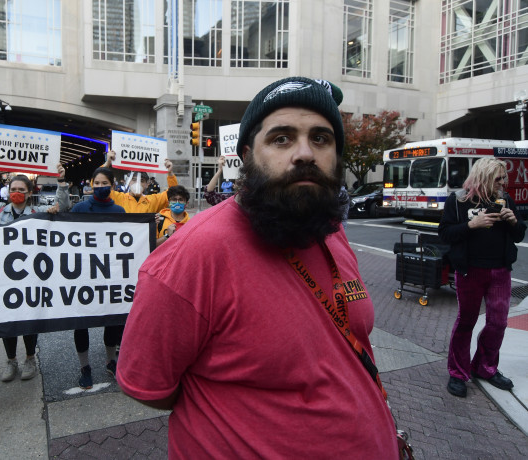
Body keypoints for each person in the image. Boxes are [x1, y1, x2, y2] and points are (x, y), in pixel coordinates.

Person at [117, 76, 398, 458]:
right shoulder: (192, 255)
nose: (304, 154)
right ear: (247, 155)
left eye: (321, 138)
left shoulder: (330, 230)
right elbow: (149, 387)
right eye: (281, 138)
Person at [0, 158, 71, 382]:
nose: (16, 192)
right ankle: (11, 360)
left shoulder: (39, 211)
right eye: (13, 189)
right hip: (4, 277)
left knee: (29, 319)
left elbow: (63, 207)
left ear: (30, 191)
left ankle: (30, 358)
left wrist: (61, 181)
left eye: (21, 190)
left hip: (30, 275)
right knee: (8, 321)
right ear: (7, 191)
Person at [439, 157, 526, 398]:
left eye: (504, 178)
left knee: (498, 323)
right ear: (484, 177)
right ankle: (458, 372)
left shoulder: (504, 200)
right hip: (469, 271)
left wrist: (513, 221)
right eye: (498, 178)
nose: (503, 183)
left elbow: (519, 234)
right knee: (466, 321)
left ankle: (485, 367)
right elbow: (445, 233)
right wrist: (472, 224)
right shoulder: (458, 201)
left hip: (500, 271)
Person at [70, 167, 125, 388]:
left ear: (112, 185)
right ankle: (85, 366)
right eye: (97, 183)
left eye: (105, 183)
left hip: (109, 274)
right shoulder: (79, 208)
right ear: (91, 183)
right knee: (81, 321)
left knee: (111, 320)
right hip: (83, 273)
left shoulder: (120, 211)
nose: (101, 187)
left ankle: (111, 361)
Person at [102, 151, 178, 213]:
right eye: (134, 180)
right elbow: (98, 186)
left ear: (147, 184)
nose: (137, 183)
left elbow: (173, 193)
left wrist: (170, 173)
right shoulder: (119, 198)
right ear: (128, 182)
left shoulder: (153, 201)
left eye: (142, 180)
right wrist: (107, 164)